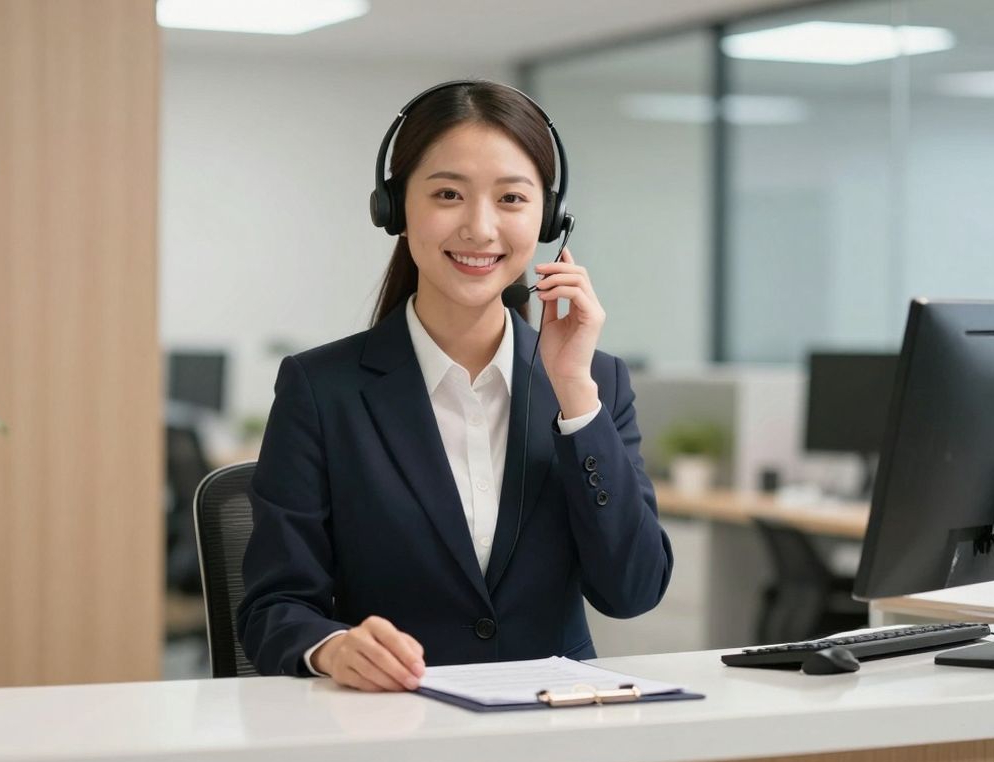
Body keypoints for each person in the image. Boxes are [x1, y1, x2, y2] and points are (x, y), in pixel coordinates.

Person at [236, 80, 673, 692]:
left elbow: (632, 591)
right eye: (447, 194)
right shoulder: (320, 389)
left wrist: (574, 392)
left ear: (547, 218)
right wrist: (333, 647)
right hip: (393, 728)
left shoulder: (595, 382)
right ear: (395, 210)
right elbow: (271, 606)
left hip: (552, 734)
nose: (480, 227)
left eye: (512, 198)